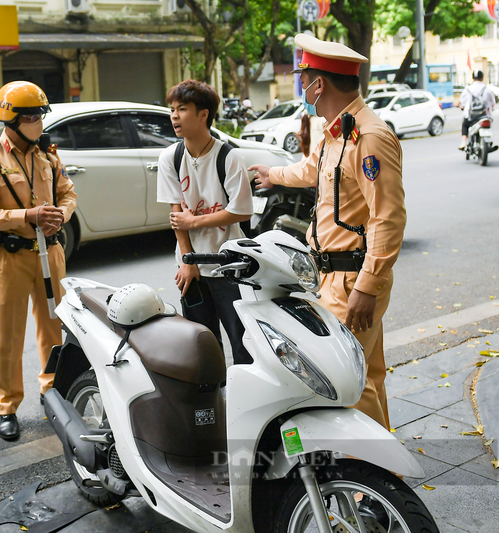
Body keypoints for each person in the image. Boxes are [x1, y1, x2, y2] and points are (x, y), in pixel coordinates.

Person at [248, 34, 406, 430]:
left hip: (352, 277)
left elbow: (388, 217)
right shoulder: (335, 131)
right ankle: (381, 481)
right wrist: (273, 175)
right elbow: (311, 170)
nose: (301, 84)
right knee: (366, 375)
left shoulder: (368, 136)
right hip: (333, 275)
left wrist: (367, 288)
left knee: (344, 382)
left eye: (304, 77)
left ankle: (367, 482)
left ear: (320, 85)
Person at [0, 81, 77, 440]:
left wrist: (61, 214)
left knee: (54, 327)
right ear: (11, 118)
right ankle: (6, 406)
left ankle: (53, 390)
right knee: (9, 335)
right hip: (12, 257)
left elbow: (68, 193)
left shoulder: (47, 153)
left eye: (40, 115)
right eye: (31, 116)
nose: (38, 123)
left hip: (52, 252)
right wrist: (27, 216)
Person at [156, 79, 254, 364]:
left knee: (243, 343)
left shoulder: (229, 156)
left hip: (230, 267)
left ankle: (243, 401)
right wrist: (188, 261)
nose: (174, 115)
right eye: (172, 109)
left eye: (182, 109)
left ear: (204, 115)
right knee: (203, 346)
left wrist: (195, 222)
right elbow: (177, 216)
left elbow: (242, 211)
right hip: (192, 270)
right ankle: (213, 403)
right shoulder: (170, 158)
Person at [459, 70, 494, 150]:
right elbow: (492, 103)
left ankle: (463, 142)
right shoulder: (487, 90)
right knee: (488, 125)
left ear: (473, 78)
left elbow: (460, 102)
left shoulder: (468, 89)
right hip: (484, 116)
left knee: (465, 124)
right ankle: (489, 142)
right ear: (482, 78)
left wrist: (460, 106)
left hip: (471, 116)